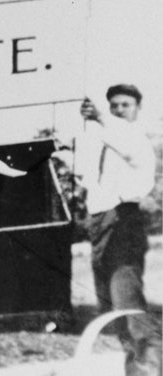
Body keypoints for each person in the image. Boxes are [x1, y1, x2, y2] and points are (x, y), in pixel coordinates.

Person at [71, 84, 161, 376]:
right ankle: (135, 372)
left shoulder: (135, 139)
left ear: (137, 109)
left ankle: (151, 370)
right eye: (114, 106)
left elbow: (129, 151)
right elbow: (88, 178)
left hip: (124, 222)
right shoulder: (105, 140)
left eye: (126, 105)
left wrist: (101, 118)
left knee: (129, 306)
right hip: (99, 225)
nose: (119, 110)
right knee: (114, 315)